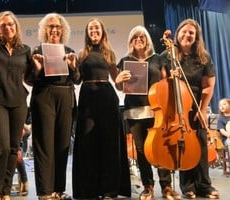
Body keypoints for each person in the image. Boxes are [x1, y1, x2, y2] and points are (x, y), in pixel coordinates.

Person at [115, 25, 180, 200]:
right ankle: (148, 186)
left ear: (148, 39)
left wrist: (172, 77)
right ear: (130, 41)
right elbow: (120, 87)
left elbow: (166, 81)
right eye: (135, 37)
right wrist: (118, 81)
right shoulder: (124, 61)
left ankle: (166, 187)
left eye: (142, 36)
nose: (139, 39)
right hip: (134, 112)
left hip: (157, 111)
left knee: (162, 148)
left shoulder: (158, 59)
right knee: (142, 151)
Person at [72, 17, 131, 200]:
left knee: (109, 144)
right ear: (87, 33)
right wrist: (73, 67)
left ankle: (110, 190)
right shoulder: (82, 54)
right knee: (88, 144)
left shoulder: (109, 53)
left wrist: (121, 81)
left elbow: (117, 82)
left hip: (107, 97)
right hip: (88, 97)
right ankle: (89, 190)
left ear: (102, 31)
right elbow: (77, 80)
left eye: (97, 28)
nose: (94, 31)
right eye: (91, 29)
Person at [161, 18, 219, 199]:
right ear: (177, 34)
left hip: (196, 104)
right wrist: (171, 77)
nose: (187, 35)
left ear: (196, 37)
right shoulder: (167, 55)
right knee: (183, 145)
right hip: (178, 106)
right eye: (184, 32)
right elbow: (163, 84)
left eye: (191, 33)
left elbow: (209, 85)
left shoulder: (203, 57)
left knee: (200, 144)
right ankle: (187, 186)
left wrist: (202, 109)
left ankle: (205, 185)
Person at [29, 13, 79, 200]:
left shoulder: (69, 50)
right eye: (50, 27)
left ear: (63, 30)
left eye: (58, 26)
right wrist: (38, 68)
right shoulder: (37, 50)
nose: (54, 30)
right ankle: (44, 192)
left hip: (66, 96)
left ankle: (58, 189)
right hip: (44, 97)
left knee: (62, 145)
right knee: (44, 145)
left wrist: (74, 66)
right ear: (45, 30)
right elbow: (29, 79)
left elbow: (78, 79)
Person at [0, 10, 31, 200]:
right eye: (3, 25)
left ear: (16, 27)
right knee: (1, 146)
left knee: (13, 148)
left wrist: (37, 66)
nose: (8, 28)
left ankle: (5, 191)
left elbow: (31, 78)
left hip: (18, 102)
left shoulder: (25, 50)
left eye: (11, 24)